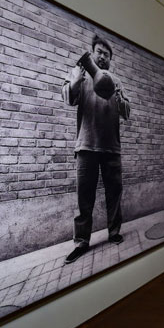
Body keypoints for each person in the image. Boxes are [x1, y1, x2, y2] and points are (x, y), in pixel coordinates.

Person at [62, 35, 131, 264]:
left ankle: (114, 232)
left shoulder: (117, 80)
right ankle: (81, 241)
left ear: (111, 60)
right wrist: (75, 81)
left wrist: (121, 100)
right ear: (93, 54)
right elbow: (68, 97)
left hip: (112, 148)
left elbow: (126, 112)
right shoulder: (80, 74)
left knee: (114, 193)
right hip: (86, 146)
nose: (102, 56)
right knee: (84, 197)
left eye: (107, 54)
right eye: (99, 52)